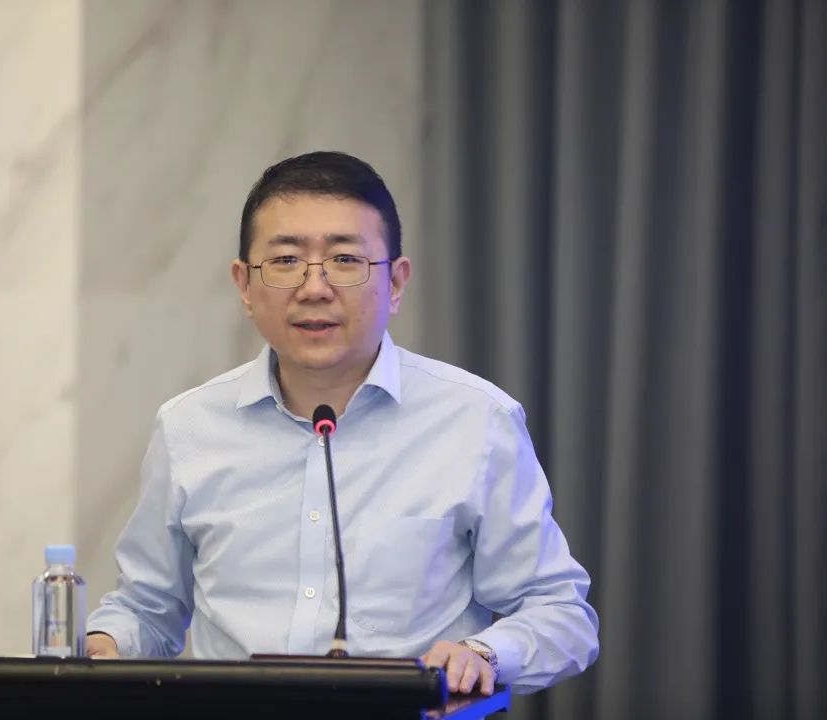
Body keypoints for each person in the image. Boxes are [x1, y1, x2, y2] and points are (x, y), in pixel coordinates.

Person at [86, 151, 599, 696]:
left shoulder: (475, 421)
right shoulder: (188, 427)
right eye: (285, 260)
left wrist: (483, 654)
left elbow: (561, 613)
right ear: (244, 285)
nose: (314, 287)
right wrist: (104, 644)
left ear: (396, 282)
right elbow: (148, 607)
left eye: (346, 259)